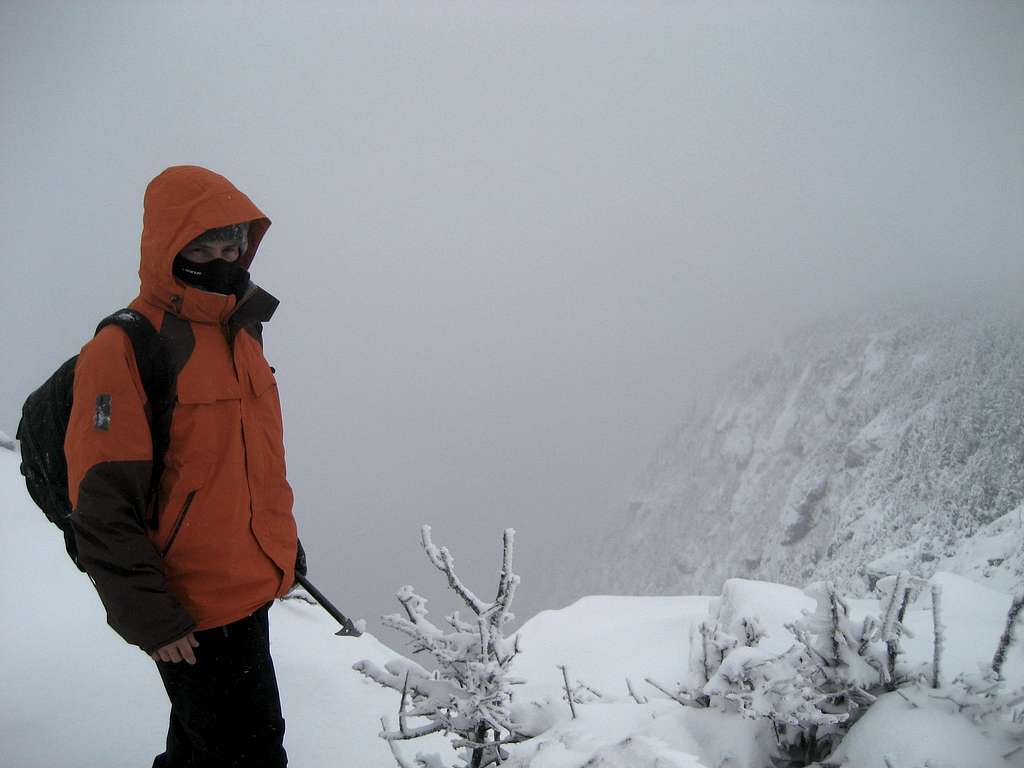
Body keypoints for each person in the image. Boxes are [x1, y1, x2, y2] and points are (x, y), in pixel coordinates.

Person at [64, 165, 301, 767]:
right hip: (189, 610)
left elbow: (252, 466)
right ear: (168, 248)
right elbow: (102, 500)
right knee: (247, 754)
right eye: (203, 249)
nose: (222, 261)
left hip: (248, 590)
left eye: (232, 248)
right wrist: (151, 617)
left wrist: (283, 547)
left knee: (204, 749)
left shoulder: (241, 334)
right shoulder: (124, 348)